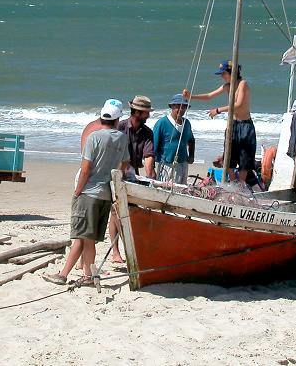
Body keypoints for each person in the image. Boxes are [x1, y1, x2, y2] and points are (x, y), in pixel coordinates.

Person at [44, 99, 130, 286]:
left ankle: (77, 275)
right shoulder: (122, 138)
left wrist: (77, 191)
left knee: (84, 237)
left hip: (89, 192)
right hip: (106, 194)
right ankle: (81, 274)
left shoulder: (94, 137)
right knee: (87, 239)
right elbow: (124, 165)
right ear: (117, 120)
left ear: (102, 117)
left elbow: (85, 169)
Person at [185, 60, 257, 187]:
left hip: (245, 125)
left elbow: (238, 105)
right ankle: (234, 183)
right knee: (228, 158)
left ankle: (240, 185)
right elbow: (209, 96)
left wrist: (218, 110)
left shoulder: (242, 84)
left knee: (244, 161)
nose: (222, 76)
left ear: (232, 72)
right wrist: (191, 96)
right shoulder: (227, 86)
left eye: (223, 73)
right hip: (233, 125)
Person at [106, 95, 155, 265]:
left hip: (133, 174)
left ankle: (131, 250)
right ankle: (115, 252)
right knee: (115, 213)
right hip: (115, 173)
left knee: (131, 212)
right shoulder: (119, 127)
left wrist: (150, 177)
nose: (148, 116)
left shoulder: (148, 132)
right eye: (146, 113)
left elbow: (148, 157)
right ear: (137, 112)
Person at [152, 94, 195, 184]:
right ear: (172, 106)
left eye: (184, 107)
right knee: (165, 190)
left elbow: (191, 140)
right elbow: (154, 146)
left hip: (183, 163)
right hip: (167, 165)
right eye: (177, 106)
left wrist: (191, 156)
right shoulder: (162, 123)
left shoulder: (186, 123)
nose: (181, 109)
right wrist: (152, 168)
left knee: (181, 191)